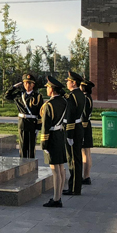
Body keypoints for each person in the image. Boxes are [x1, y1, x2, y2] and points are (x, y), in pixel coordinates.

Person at [40, 75, 68, 208]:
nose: (47, 89)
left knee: (55, 170)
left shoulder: (49, 105)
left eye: (48, 87)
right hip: (60, 135)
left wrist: (44, 144)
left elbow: (45, 126)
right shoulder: (63, 101)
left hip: (51, 137)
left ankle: (56, 199)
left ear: (52, 89)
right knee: (61, 168)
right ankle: (59, 196)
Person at [5, 73, 43, 158]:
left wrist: (38, 127)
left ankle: (31, 162)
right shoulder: (19, 95)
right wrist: (14, 87)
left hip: (32, 123)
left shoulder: (37, 96)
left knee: (31, 146)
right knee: (22, 146)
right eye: (25, 83)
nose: (27, 85)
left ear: (33, 84)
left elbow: (40, 113)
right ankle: (23, 162)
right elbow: (7, 96)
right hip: (22, 123)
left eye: (29, 83)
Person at [63, 71, 85, 196]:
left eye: (68, 81)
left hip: (73, 129)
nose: (67, 83)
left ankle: (74, 188)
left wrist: (69, 134)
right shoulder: (80, 94)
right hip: (78, 127)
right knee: (76, 158)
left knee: (72, 160)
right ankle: (76, 187)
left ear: (74, 83)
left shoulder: (72, 96)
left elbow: (71, 115)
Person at [80, 80, 94, 185]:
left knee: (85, 153)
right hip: (87, 126)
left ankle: (86, 176)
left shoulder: (85, 99)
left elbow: (84, 115)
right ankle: (86, 175)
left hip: (84, 126)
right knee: (87, 153)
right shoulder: (88, 97)